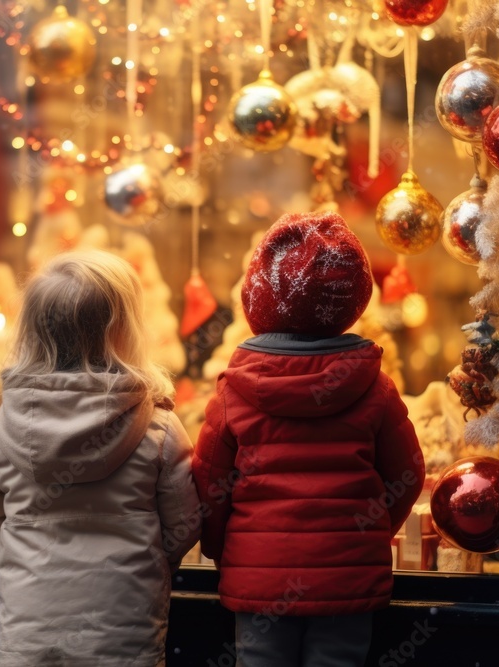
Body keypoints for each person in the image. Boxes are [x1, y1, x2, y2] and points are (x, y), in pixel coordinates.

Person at [193, 212, 424, 667]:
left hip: (259, 586)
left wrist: (229, 551)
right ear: (352, 300)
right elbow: (408, 475)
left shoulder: (233, 391)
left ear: (257, 298)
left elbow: (207, 488)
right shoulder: (375, 388)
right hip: (347, 586)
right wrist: (366, 536)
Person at [0, 249, 201, 667]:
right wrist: (151, 561)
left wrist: (18, 562)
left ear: (33, 332)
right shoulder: (157, 430)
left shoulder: (4, 431)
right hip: (124, 633)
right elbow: (184, 522)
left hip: (29, 636)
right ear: (125, 330)